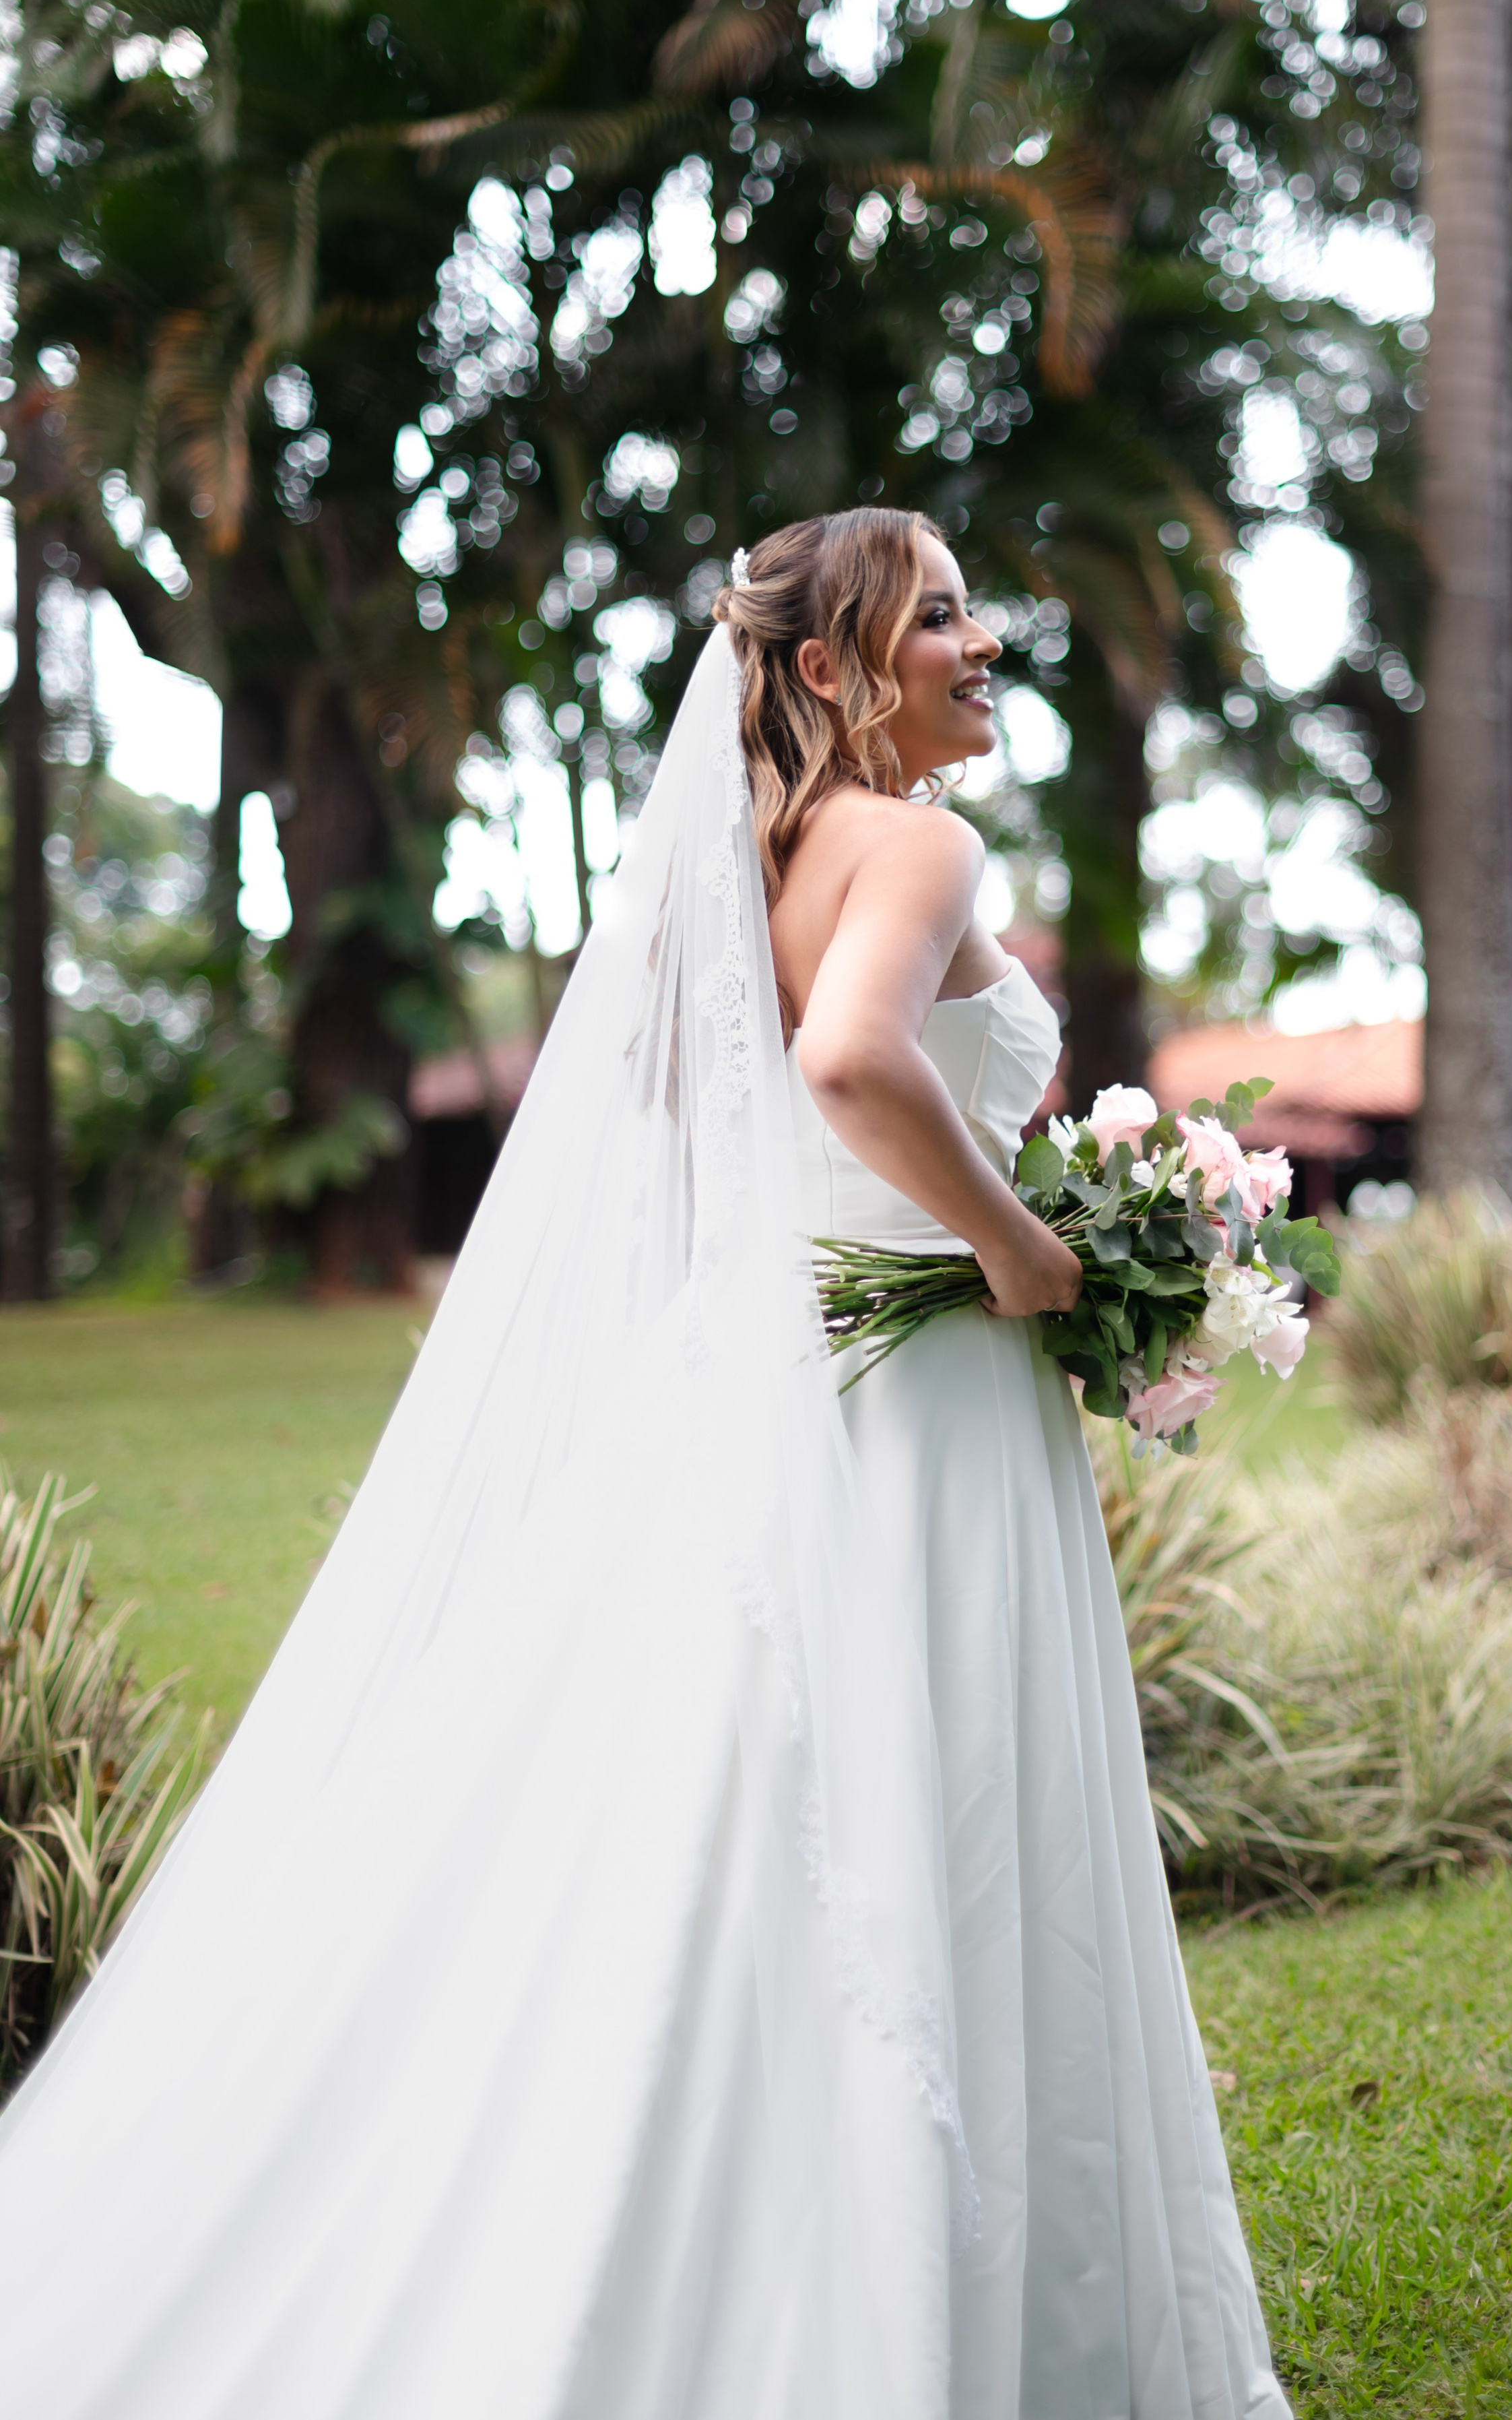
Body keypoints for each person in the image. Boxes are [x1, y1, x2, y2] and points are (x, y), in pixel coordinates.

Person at [0, 505, 1292, 2420]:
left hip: (768, 1374)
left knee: (700, 1819)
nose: (984, 645)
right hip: (915, 1405)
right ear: (835, 670)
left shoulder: (740, 876)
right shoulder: (919, 844)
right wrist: (1025, 1246)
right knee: (923, 1815)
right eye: (940, 617)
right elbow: (852, 1063)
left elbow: (713, 1116)